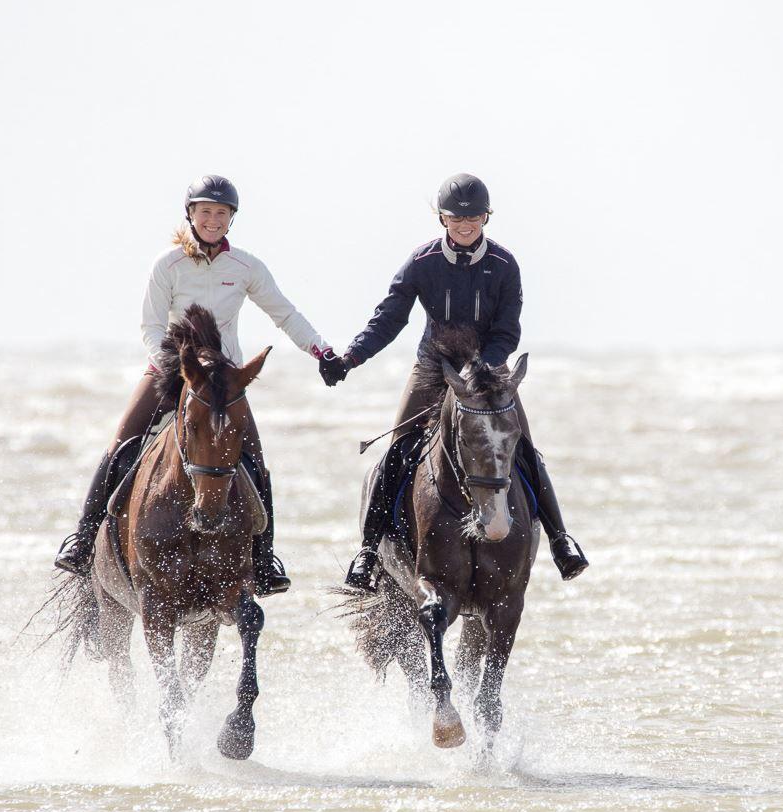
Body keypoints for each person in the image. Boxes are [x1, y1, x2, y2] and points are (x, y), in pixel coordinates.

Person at [54, 174, 336, 595]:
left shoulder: (246, 267)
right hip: (170, 370)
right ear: (190, 215)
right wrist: (170, 364)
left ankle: (263, 560)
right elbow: (151, 326)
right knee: (121, 445)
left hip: (222, 381)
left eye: (221, 213)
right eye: (205, 212)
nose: (213, 219)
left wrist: (322, 351)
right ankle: (83, 540)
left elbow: (285, 313)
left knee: (255, 460)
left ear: (231, 219)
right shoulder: (166, 265)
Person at [317, 172, 588, 591]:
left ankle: (560, 540)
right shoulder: (422, 262)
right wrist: (351, 357)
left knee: (524, 449)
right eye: (455, 218)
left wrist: (480, 368)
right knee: (398, 448)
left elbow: (507, 331)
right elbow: (389, 318)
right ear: (441, 218)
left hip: (489, 374)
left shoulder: (503, 265)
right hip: (433, 369)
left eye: (474, 218)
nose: (465, 225)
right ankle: (369, 553)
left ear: (486, 217)